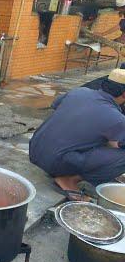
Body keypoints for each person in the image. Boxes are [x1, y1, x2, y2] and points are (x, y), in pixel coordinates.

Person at [29, 68, 125, 201]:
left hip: (35, 150)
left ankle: (64, 168)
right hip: (56, 162)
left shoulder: (80, 91)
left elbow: (56, 104)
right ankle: (68, 180)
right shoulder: (115, 117)